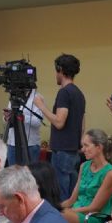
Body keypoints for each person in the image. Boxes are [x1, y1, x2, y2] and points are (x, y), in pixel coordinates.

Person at [35, 54, 85, 198]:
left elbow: (59, 122)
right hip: (73, 150)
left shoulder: (64, 92)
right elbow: (82, 122)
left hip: (62, 151)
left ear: (60, 70)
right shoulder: (79, 93)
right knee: (71, 193)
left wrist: (41, 106)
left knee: (61, 194)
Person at [61, 129, 112, 223]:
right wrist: (54, 206)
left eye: (86, 145)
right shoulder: (84, 166)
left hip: (93, 219)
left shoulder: (110, 173)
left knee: (59, 215)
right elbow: (71, 200)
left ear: (99, 147)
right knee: (47, 210)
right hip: (74, 214)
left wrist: (68, 211)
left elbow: (94, 208)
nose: (82, 149)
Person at [4, 88, 46, 165]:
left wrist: (22, 117)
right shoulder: (13, 97)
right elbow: (8, 118)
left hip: (30, 145)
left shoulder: (37, 97)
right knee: (12, 172)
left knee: (29, 172)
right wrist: (6, 117)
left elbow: (38, 122)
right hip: (12, 144)